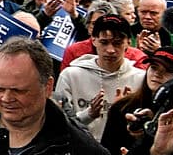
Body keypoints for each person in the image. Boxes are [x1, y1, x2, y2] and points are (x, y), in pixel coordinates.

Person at [53, 13, 143, 141]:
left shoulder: (140, 78)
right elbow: (58, 124)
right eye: (104, 42)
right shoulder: (70, 75)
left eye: (117, 43)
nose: (110, 50)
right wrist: (89, 114)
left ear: (128, 42)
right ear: (93, 40)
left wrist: (122, 113)